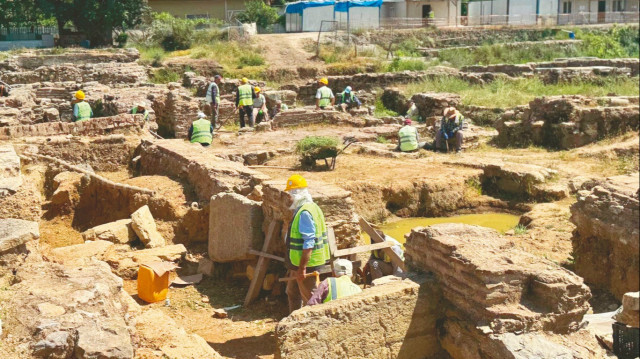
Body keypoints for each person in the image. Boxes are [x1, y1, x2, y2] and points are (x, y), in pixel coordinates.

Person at [284, 174, 331, 313]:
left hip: (306, 264)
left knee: (311, 299)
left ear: (295, 193)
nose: (289, 197)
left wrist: (302, 268)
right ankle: (294, 321)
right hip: (297, 263)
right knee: (292, 291)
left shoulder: (305, 212)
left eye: (290, 194)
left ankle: (314, 325)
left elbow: (308, 242)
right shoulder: (312, 207)